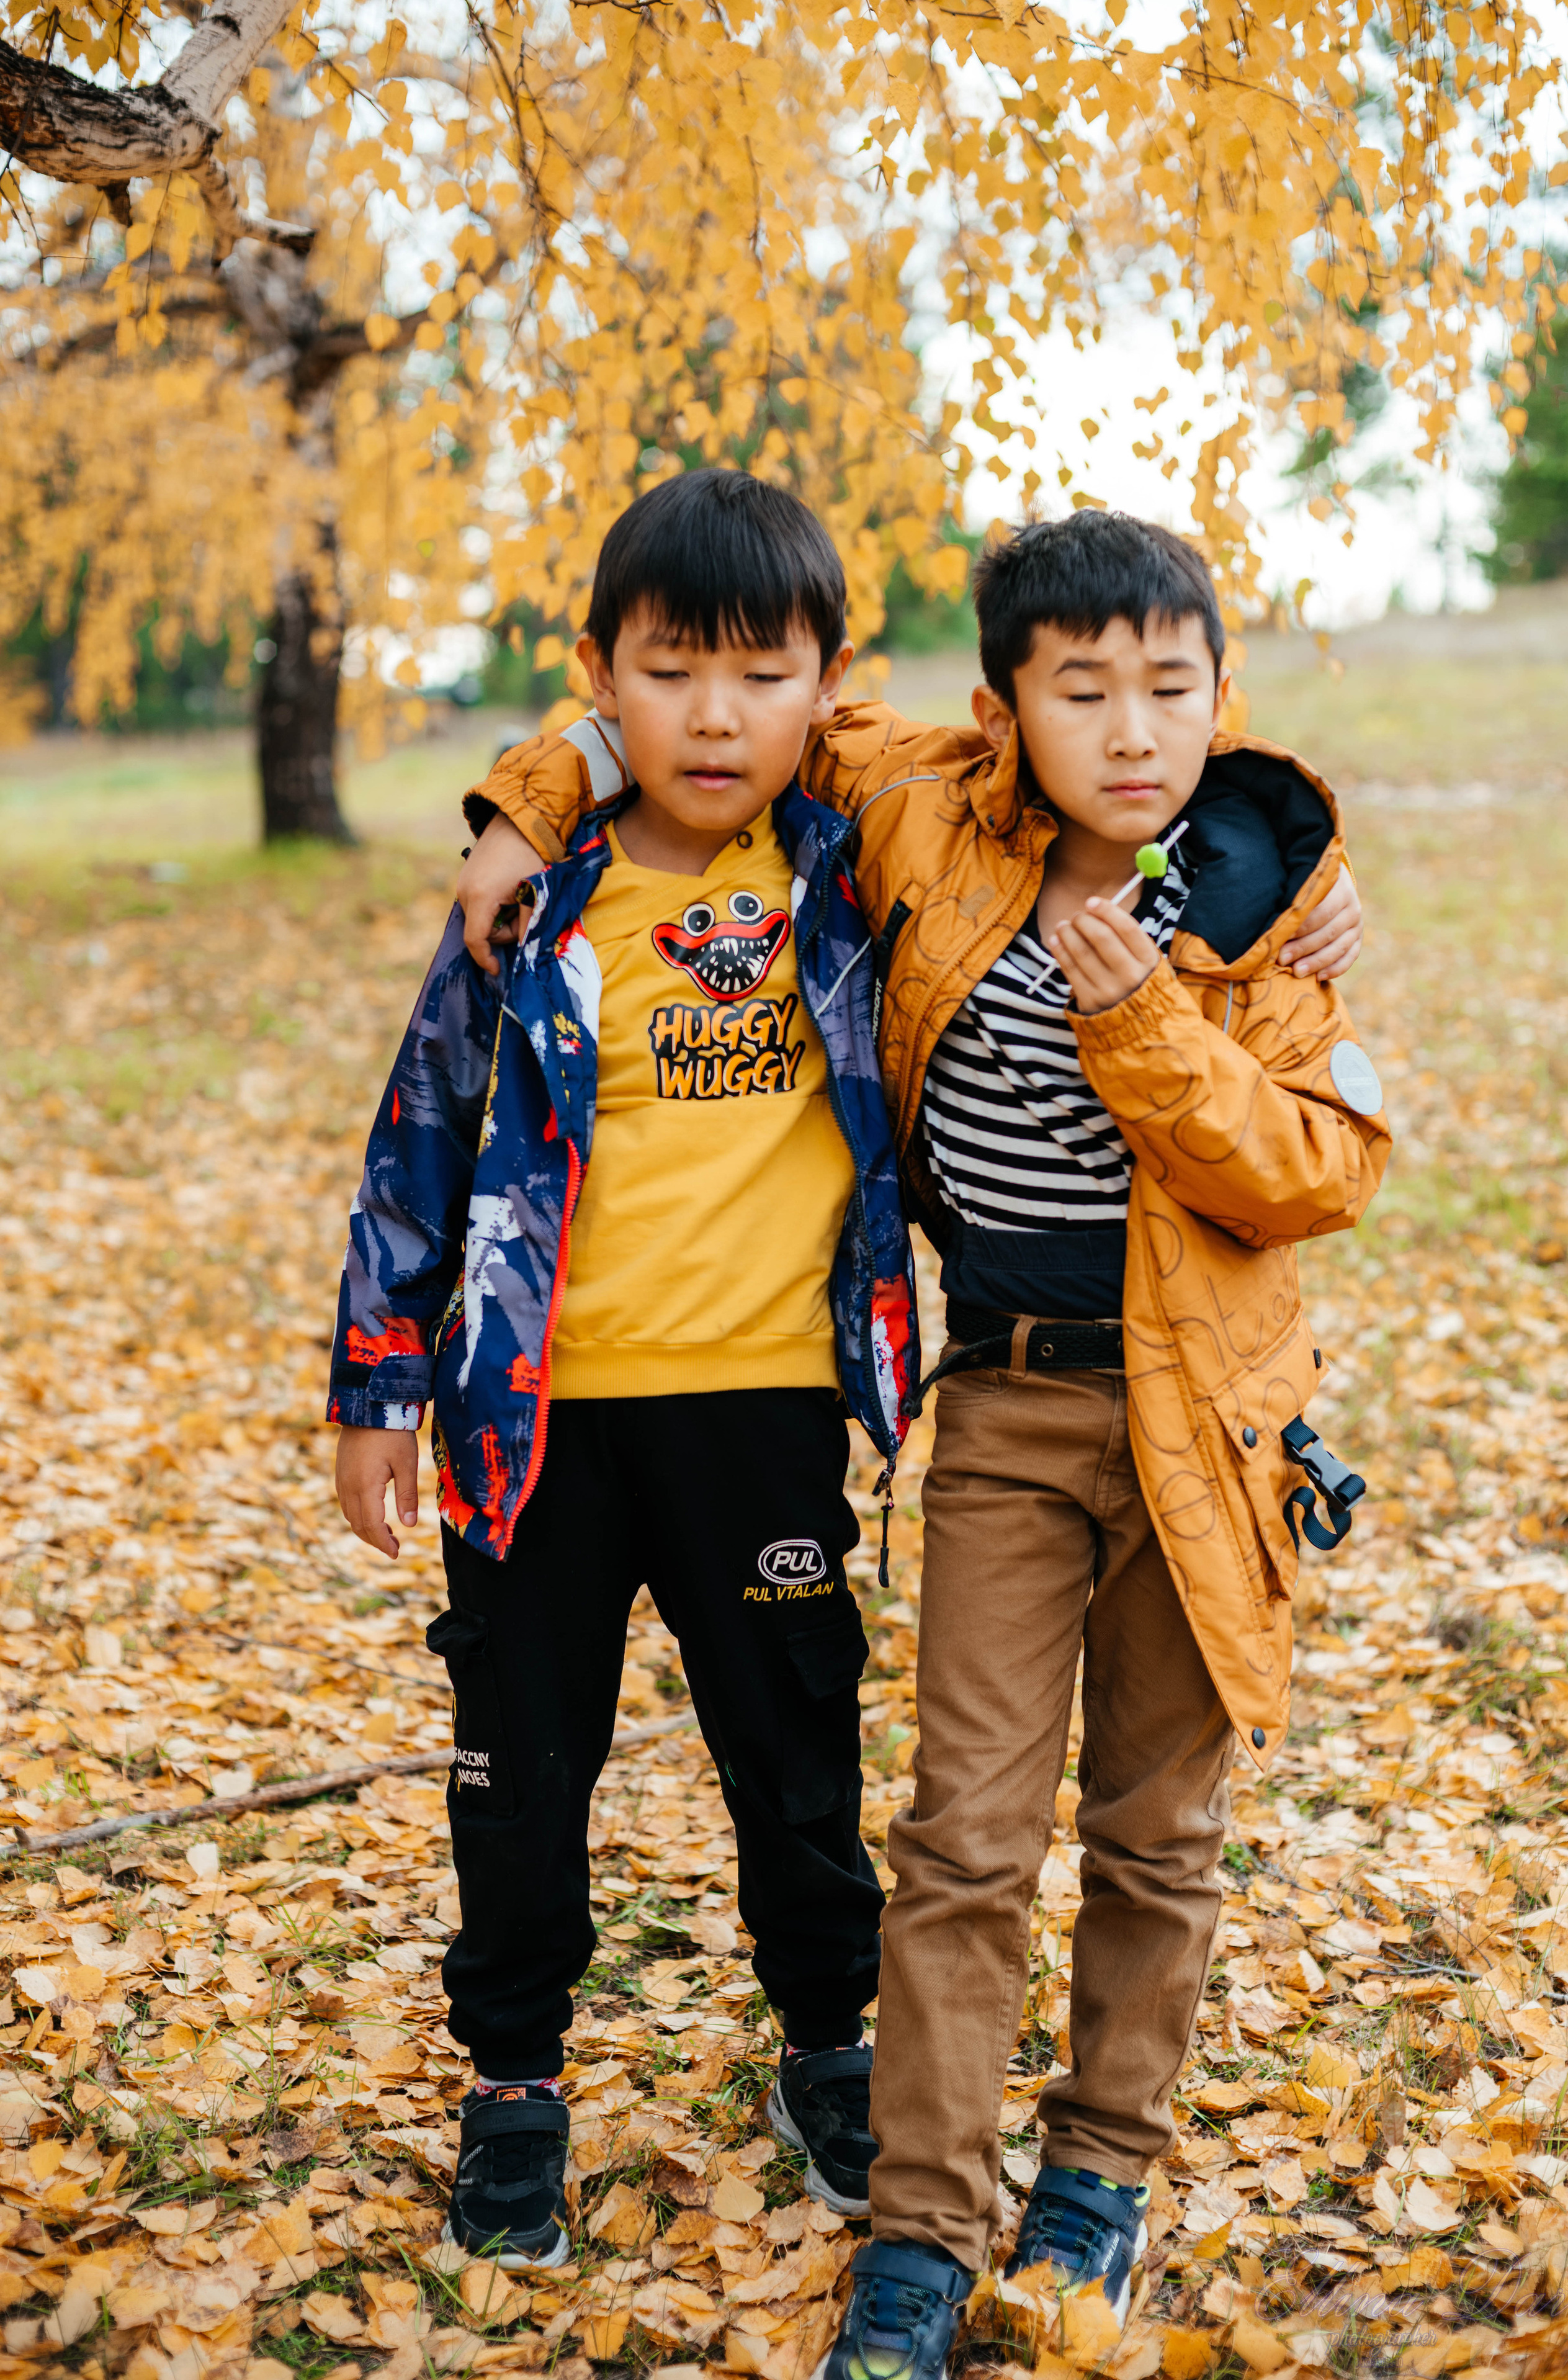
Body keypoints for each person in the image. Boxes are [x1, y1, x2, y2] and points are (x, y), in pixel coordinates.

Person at [455, 508, 1385, 2368]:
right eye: (1082, 690)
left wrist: (1148, 1024)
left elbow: (1317, 1172)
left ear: (1222, 697)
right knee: (962, 1839)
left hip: (1203, 1425)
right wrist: (524, 801)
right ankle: (923, 2225)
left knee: (1157, 1831)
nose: (1131, 729)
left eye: (1170, 690)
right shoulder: (926, 814)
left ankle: (1100, 2172)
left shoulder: (1269, 911)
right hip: (1007, 1408)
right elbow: (722, 707)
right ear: (1000, 707)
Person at [328, 469, 919, 2268]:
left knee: (796, 1751)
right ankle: (514, 2079)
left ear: (826, 682)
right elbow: (423, 1126)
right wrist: (377, 1383)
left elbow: (1054, 760)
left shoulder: (850, 872)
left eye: (762, 672)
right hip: (536, 1427)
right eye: (669, 673)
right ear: (601, 676)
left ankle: (830, 2046)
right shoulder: (535, 903)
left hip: (762, 1414)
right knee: (521, 1767)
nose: (715, 716)